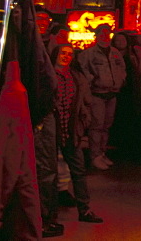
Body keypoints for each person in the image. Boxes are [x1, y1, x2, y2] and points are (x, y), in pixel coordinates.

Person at [37, 44, 103, 237]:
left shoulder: (76, 76)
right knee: (49, 173)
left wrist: (84, 122)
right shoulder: (48, 75)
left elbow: (85, 102)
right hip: (51, 130)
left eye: (69, 54)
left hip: (71, 129)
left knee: (79, 170)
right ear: (55, 54)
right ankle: (48, 216)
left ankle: (85, 209)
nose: (66, 57)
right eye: (63, 53)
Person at [76, 23, 127, 170]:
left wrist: (120, 80)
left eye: (107, 34)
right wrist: (93, 81)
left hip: (112, 94)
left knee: (106, 126)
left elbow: (122, 69)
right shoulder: (88, 54)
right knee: (96, 126)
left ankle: (102, 153)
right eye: (102, 33)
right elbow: (83, 70)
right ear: (96, 35)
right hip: (97, 94)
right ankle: (95, 156)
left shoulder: (115, 53)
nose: (105, 36)